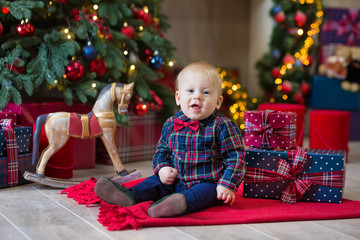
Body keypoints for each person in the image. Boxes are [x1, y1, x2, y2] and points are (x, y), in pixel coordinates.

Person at [94, 61, 246, 218]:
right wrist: (162, 168)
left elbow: (236, 158)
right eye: (190, 91)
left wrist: (227, 184)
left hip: (208, 183)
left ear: (218, 102)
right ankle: (129, 196)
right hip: (174, 179)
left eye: (206, 93)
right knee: (153, 183)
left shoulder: (222, 126)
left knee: (202, 194)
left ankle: (176, 204)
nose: (197, 96)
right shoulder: (171, 123)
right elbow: (161, 152)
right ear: (179, 98)